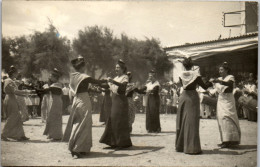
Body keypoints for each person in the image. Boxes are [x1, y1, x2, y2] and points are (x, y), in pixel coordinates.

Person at [63, 56, 106, 158]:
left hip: (76, 101)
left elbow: (82, 89)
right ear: (82, 67)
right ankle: (79, 148)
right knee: (84, 123)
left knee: (77, 123)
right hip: (83, 100)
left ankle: (74, 146)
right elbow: (97, 82)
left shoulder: (73, 76)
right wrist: (106, 81)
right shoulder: (84, 77)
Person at [175, 57, 212, 154]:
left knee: (182, 121)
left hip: (183, 96)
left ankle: (181, 146)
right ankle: (192, 147)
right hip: (192, 97)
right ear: (192, 65)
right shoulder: (196, 74)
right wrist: (211, 82)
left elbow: (182, 84)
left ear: (184, 65)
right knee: (192, 122)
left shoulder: (181, 74)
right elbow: (204, 86)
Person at [100, 59, 132, 150]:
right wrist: (99, 84)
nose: (116, 69)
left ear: (122, 69)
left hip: (121, 101)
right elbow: (108, 86)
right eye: (116, 67)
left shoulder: (125, 77)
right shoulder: (115, 78)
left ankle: (121, 143)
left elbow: (123, 87)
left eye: (118, 67)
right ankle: (113, 142)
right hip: (114, 101)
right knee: (113, 120)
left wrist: (112, 82)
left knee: (119, 120)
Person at [212, 62, 241, 148]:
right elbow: (216, 89)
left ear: (226, 70)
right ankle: (224, 140)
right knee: (221, 119)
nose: (220, 71)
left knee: (228, 118)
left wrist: (219, 82)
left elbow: (229, 87)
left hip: (228, 101)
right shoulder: (219, 78)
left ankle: (232, 140)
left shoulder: (230, 77)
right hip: (221, 101)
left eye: (221, 69)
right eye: (219, 70)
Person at [1, 66, 31, 141]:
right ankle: (4, 134)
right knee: (13, 116)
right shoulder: (9, 81)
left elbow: (15, 92)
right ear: (13, 73)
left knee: (17, 117)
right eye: (16, 73)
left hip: (12, 98)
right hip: (10, 99)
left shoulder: (10, 80)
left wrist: (24, 94)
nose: (17, 74)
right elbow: (15, 91)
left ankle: (20, 135)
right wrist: (25, 92)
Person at [43, 68, 63, 141]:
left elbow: (47, 90)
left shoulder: (57, 84)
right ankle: (51, 134)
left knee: (55, 118)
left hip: (57, 102)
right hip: (53, 101)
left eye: (51, 76)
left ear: (55, 77)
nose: (49, 77)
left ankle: (57, 136)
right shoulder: (53, 84)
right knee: (51, 117)